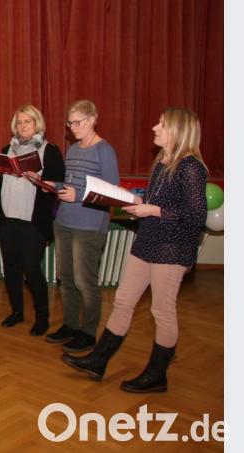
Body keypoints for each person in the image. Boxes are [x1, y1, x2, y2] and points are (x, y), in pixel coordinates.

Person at [62, 108, 207, 393]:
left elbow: (195, 216)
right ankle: (98, 360)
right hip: (147, 241)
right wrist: (137, 207)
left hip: (171, 248)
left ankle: (157, 375)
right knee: (123, 301)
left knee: (162, 310)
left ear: (178, 130)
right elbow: (157, 202)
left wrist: (151, 209)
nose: (154, 127)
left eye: (162, 124)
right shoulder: (163, 161)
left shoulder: (191, 167)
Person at [45, 99, 119, 353]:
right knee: (65, 278)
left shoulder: (104, 151)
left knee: (85, 281)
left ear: (92, 120)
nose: (73, 127)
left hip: (89, 225)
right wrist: (47, 184)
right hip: (64, 221)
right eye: (70, 122)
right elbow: (71, 185)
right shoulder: (73, 149)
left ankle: (88, 333)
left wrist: (78, 196)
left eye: (77, 122)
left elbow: (112, 193)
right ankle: (70, 326)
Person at [0, 105, 64, 336]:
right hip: (8, 219)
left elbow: (56, 185)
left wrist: (37, 178)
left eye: (27, 122)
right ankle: (17, 312)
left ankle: (42, 317)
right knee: (10, 269)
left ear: (37, 124)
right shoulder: (6, 150)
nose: (22, 126)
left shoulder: (50, 151)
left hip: (34, 222)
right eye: (19, 122)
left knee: (32, 270)